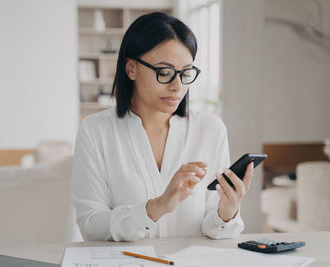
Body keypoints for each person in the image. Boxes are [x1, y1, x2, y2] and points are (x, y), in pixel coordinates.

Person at [72, 12, 254, 241]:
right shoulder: (96, 131)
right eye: (164, 72)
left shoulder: (211, 130)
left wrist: (227, 212)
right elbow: (91, 225)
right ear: (131, 69)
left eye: (186, 73)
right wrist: (156, 207)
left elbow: (214, 228)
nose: (177, 86)